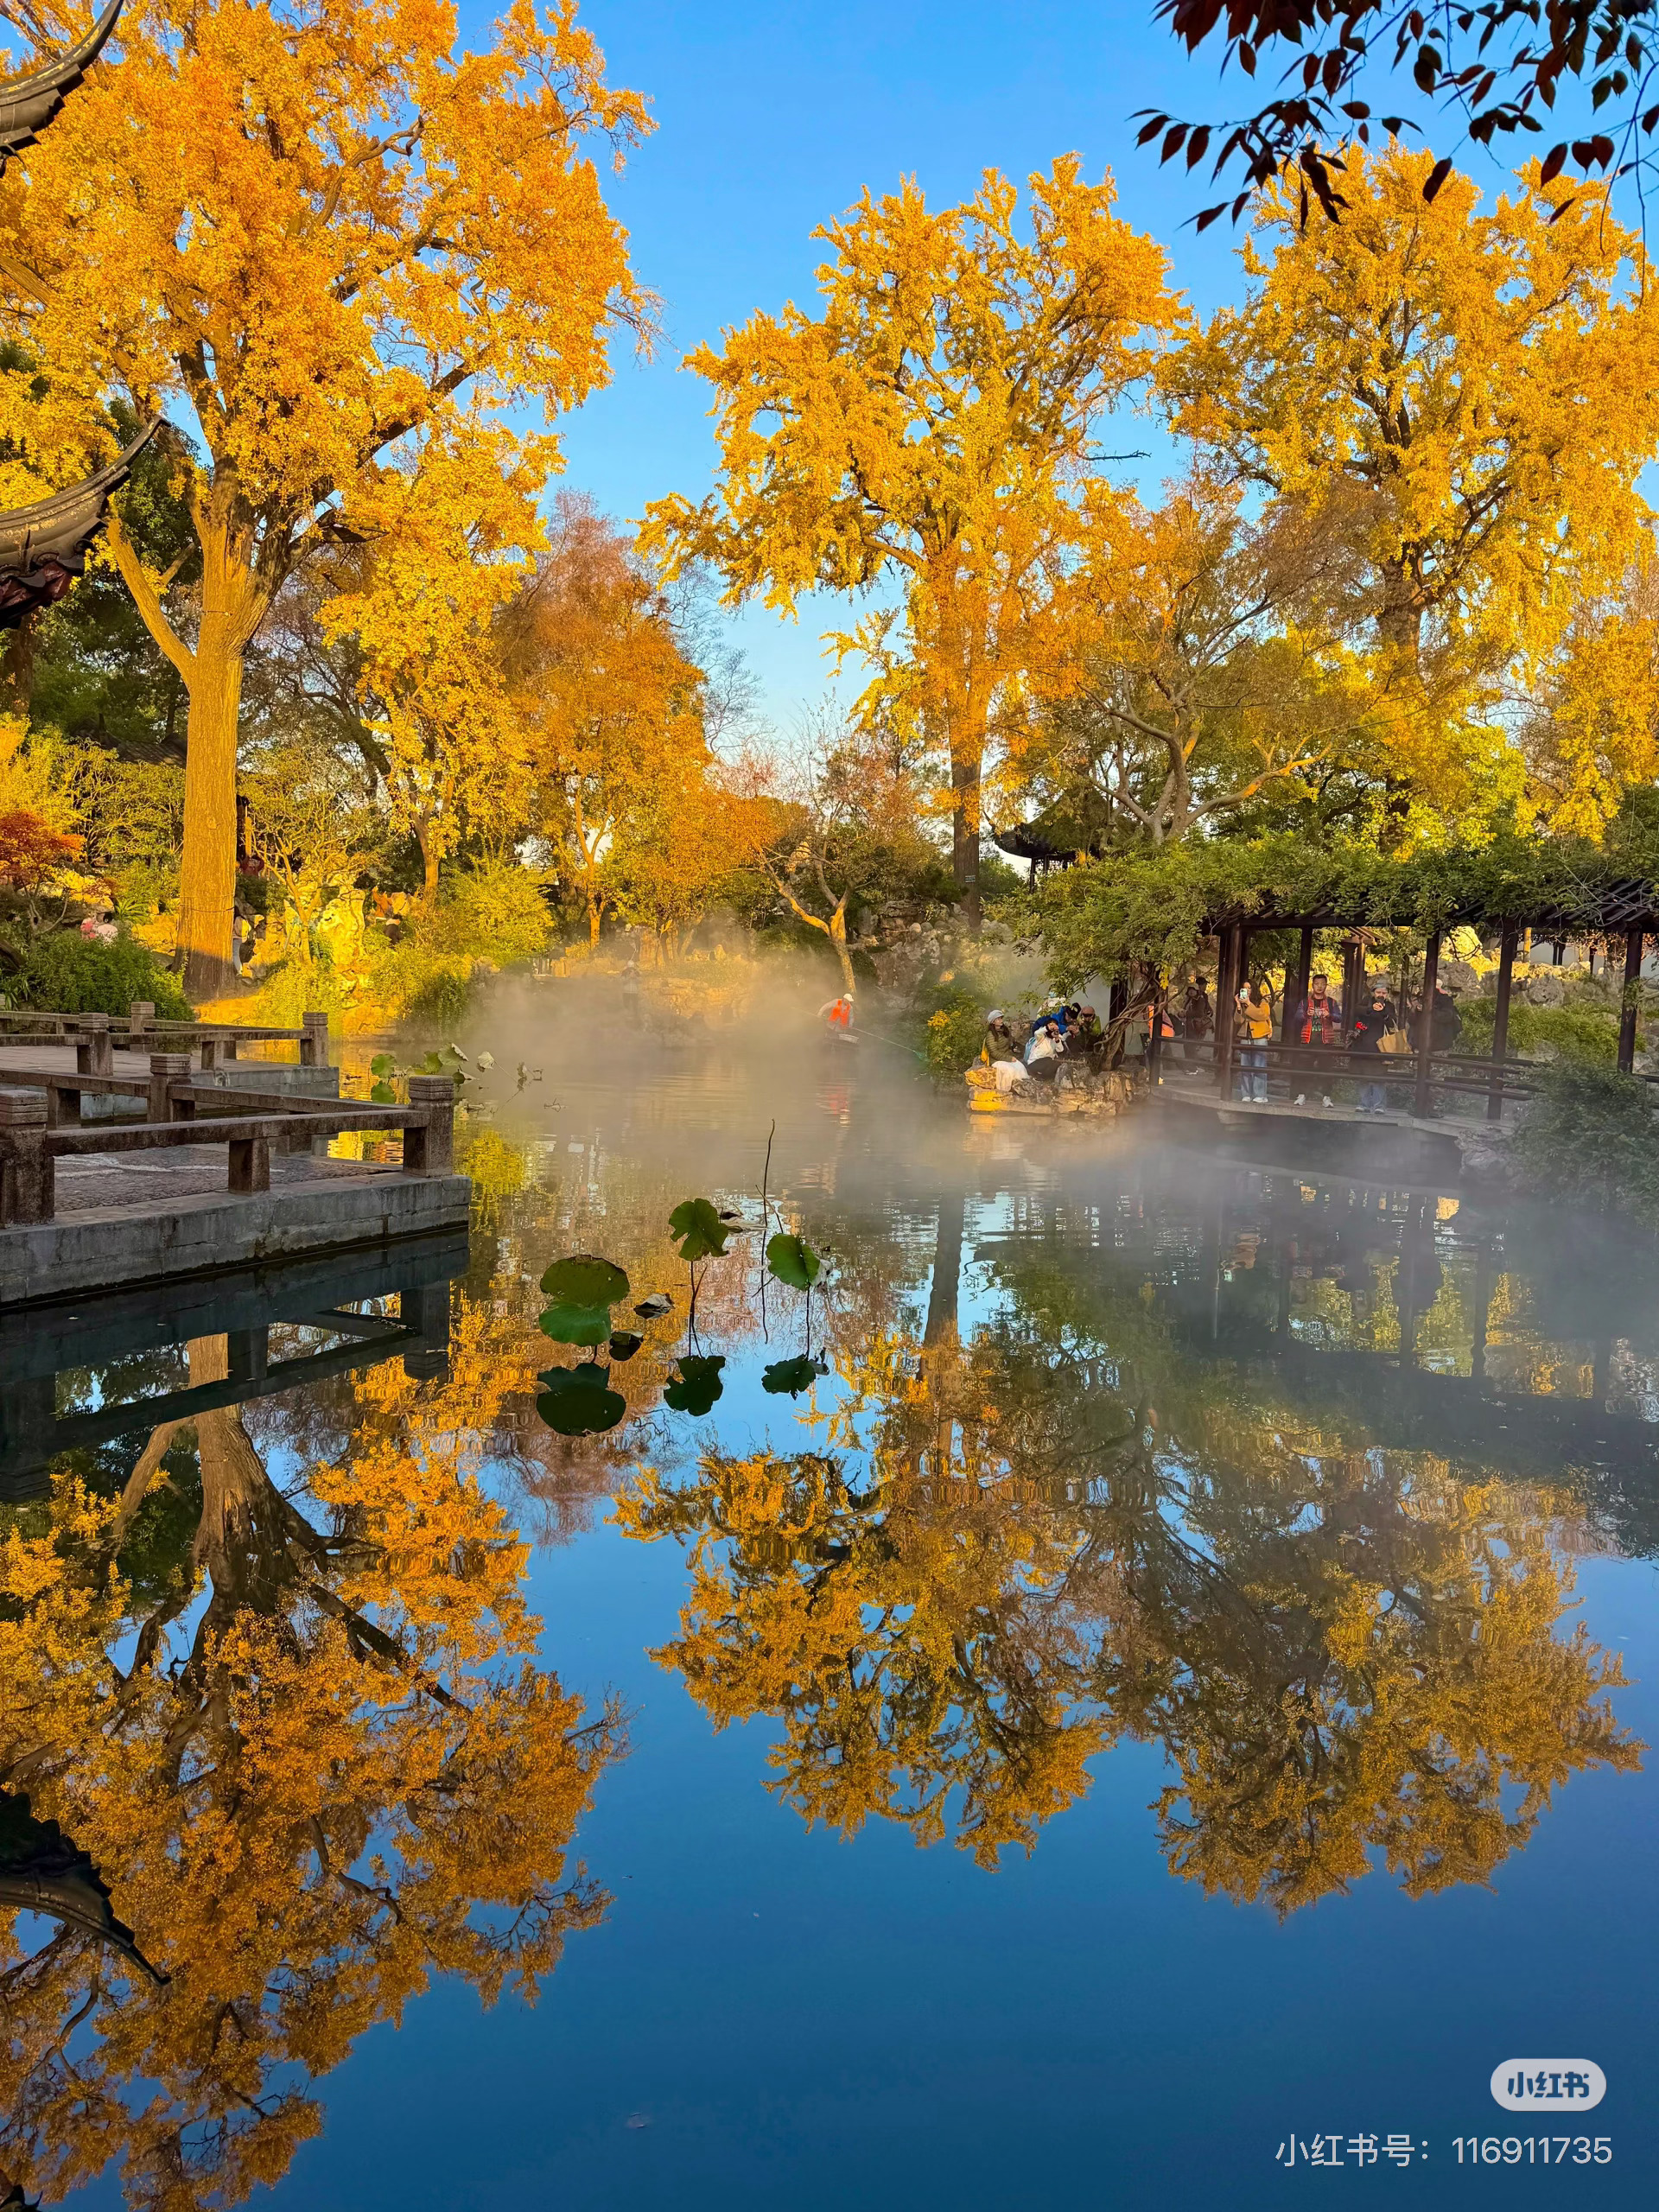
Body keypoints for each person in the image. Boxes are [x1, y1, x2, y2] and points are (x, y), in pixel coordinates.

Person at [1292, 970, 1341, 1108]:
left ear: (1326, 986)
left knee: (1326, 1070)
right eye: (1317, 984)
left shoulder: (1331, 1002)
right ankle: (1301, 1095)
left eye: (1323, 984)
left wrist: (1329, 1015)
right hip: (1308, 1039)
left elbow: (1339, 1017)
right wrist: (1306, 1015)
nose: (1320, 987)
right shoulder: (1305, 1002)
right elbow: (1297, 1018)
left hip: (1325, 1041)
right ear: (1312, 985)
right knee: (1303, 1069)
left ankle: (1326, 1097)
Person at [1349, 983, 1398, 1112]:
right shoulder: (1366, 1001)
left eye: (1384, 993)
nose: (1381, 995)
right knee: (1363, 1076)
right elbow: (1356, 1010)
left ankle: (1379, 1105)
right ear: (1373, 993)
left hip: (1381, 1046)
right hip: (1363, 1045)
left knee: (1379, 1077)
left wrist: (1383, 1012)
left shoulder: (1390, 1006)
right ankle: (1363, 1104)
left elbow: (1392, 1022)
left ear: (1387, 994)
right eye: (1378, 992)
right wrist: (1370, 1009)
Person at [1236, 979, 1275, 1101]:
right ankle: (1246, 1094)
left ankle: (1260, 1095)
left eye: (1249, 988)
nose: (1246, 991)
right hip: (1245, 1036)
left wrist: (1249, 1004)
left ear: (1253, 989)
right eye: (1244, 988)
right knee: (1245, 1067)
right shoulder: (1243, 1003)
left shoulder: (1263, 1001)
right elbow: (1238, 1021)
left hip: (1259, 1036)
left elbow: (1262, 1015)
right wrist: (1238, 1005)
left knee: (1259, 1066)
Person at [1182, 979, 1212, 1067]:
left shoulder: (1201, 998)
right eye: (1190, 990)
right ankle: (1190, 1065)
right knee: (1188, 1045)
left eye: (1193, 990)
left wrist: (1186, 1013)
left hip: (1195, 1025)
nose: (1191, 992)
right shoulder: (1189, 999)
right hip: (1189, 1025)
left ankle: (1193, 1066)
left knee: (1194, 1045)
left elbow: (1200, 1013)